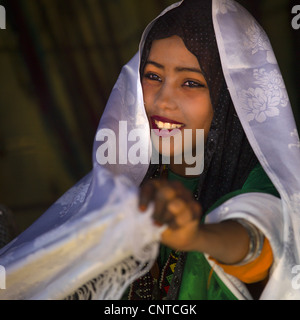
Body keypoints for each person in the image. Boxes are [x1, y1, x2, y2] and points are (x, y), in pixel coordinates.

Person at [0, 0, 299, 300]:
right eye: (153, 76)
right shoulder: (124, 179)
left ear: (230, 98)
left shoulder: (265, 182)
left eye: (191, 82)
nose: (163, 100)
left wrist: (198, 235)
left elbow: (261, 235)